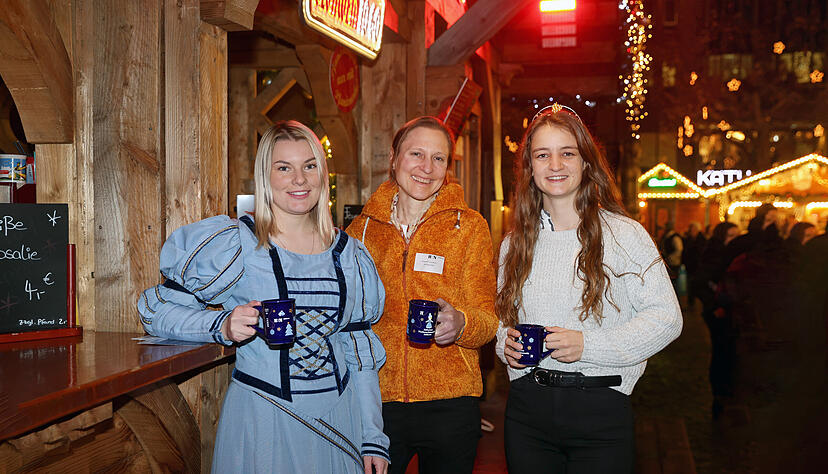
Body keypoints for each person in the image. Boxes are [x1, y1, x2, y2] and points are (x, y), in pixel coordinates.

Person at [137, 121, 389, 473]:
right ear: (265, 177)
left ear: (322, 172)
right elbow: (155, 310)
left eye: (309, 166)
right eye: (284, 168)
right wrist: (221, 324)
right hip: (262, 422)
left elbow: (359, 353)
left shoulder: (351, 256)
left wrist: (373, 436)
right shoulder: (237, 244)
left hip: (338, 424)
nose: (299, 179)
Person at [495, 104, 682, 473]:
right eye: (542, 155)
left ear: (585, 162)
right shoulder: (513, 244)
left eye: (567, 153)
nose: (555, 165)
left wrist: (587, 345)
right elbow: (504, 322)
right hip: (527, 413)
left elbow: (667, 319)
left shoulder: (624, 235)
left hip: (601, 412)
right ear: (530, 166)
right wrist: (506, 346)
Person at [346, 116, 498, 474]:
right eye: (416, 154)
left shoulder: (469, 227)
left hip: (451, 403)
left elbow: (488, 320)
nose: (426, 167)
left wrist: (462, 323)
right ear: (393, 157)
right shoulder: (360, 231)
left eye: (438, 158)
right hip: (377, 402)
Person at [694, 221, 740, 417]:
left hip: (728, 311)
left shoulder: (735, 255)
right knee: (721, 351)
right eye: (731, 236)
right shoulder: (715, 255)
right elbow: (700, 283)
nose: (734, 240)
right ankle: (719, 394)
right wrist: (713, 306)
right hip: (717, 313)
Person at [682, 221, 707, 308]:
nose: (691, 231)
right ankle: (691, 303)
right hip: (690, 266)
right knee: (690, 285)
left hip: (697, 267)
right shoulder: (690, 239)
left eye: (692, 229)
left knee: (696, 286)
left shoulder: (701, 240)